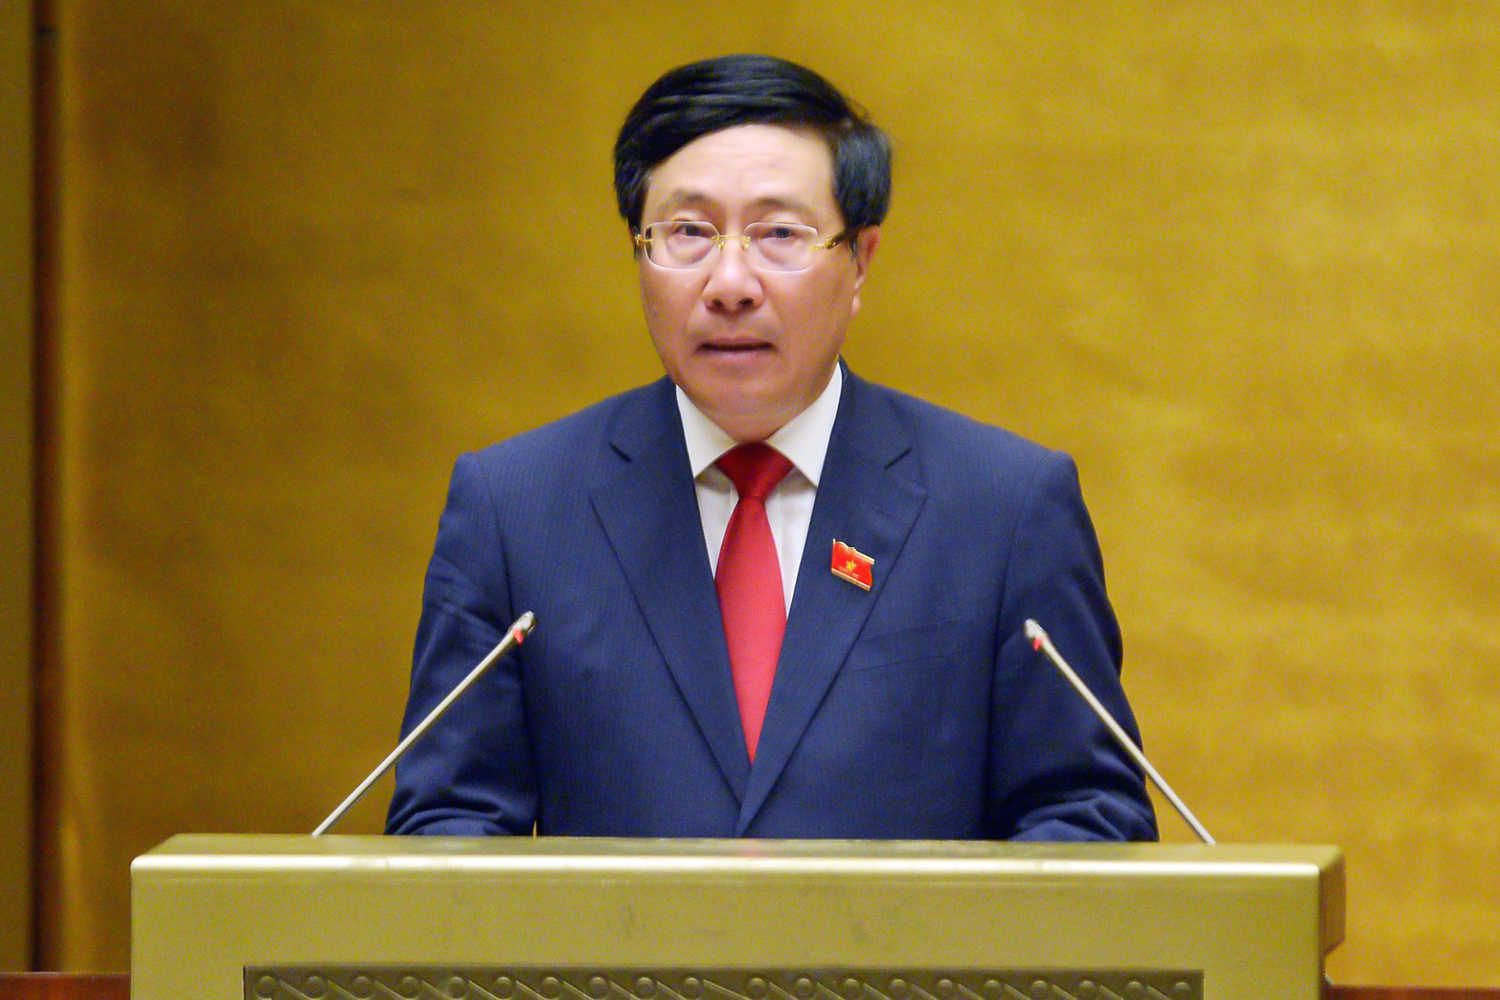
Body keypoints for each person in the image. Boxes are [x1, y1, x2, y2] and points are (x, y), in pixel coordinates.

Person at [386, 54, 1157, 841]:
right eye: (687, 233)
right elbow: (449, 823)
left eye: (779, 234)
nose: (730, 283)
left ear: (860, 261)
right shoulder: (514, 510)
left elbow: (1086, 817)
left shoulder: (1003, 508)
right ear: (639, 253)